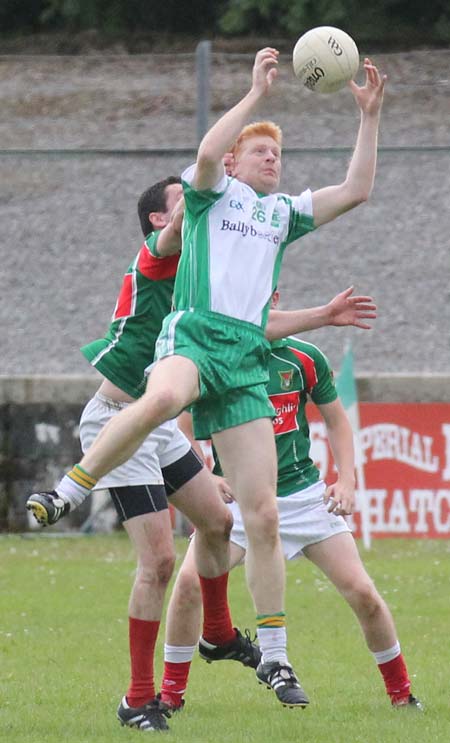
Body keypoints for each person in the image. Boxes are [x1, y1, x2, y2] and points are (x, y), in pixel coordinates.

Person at [27, 47, 386, 707]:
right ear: (233, 165)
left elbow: (358, 190)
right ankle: (73, 487)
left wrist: (369, 117)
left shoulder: (281, 216)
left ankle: (274, 657)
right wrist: (254, 95)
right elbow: (208, 149)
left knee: (262, 516)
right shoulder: (210, 195)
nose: (272, 158)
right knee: (162, 396)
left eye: (277, 153)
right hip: (195, 337)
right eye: (260, 152)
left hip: (245, 357)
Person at [159, 296, 423, 712]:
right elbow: (183, 428)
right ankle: (169, 696)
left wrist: (347, 480)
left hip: (303, 498)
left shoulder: (303, 357)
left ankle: (402, 694)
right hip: (245, 504)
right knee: (189, 585)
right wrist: (208, 475)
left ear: (277, 299)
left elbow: (337, 421)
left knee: (364, 594)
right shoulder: (218, 359)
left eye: (269, 295)